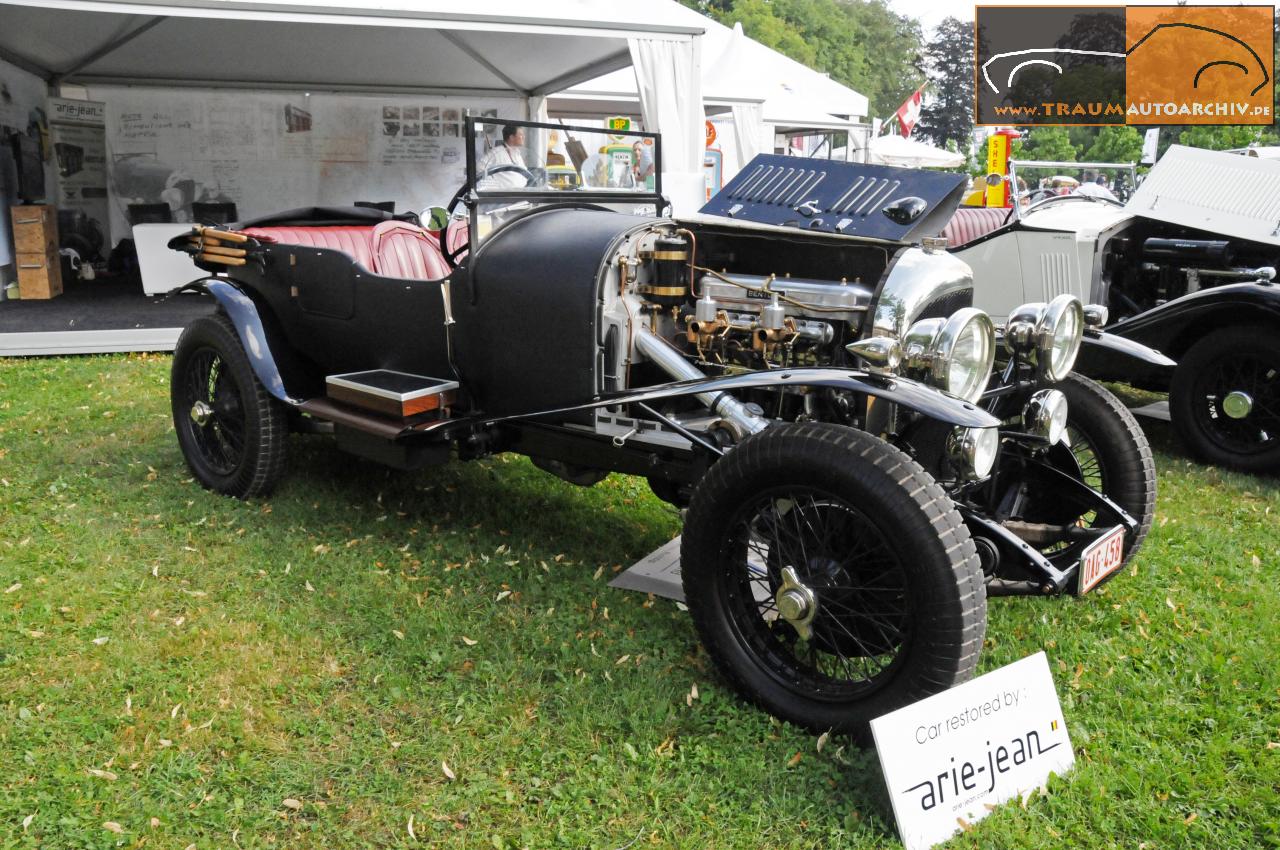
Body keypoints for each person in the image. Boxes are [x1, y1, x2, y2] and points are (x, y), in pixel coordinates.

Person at [477, 124, 528, 190]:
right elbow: (479, 168)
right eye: (521, 135)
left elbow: (524, 173)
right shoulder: (496, 152)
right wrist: (493, 186)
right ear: (512, 137)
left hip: (521, 195)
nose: (524, 137)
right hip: (504, 197)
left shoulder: (517, 154)